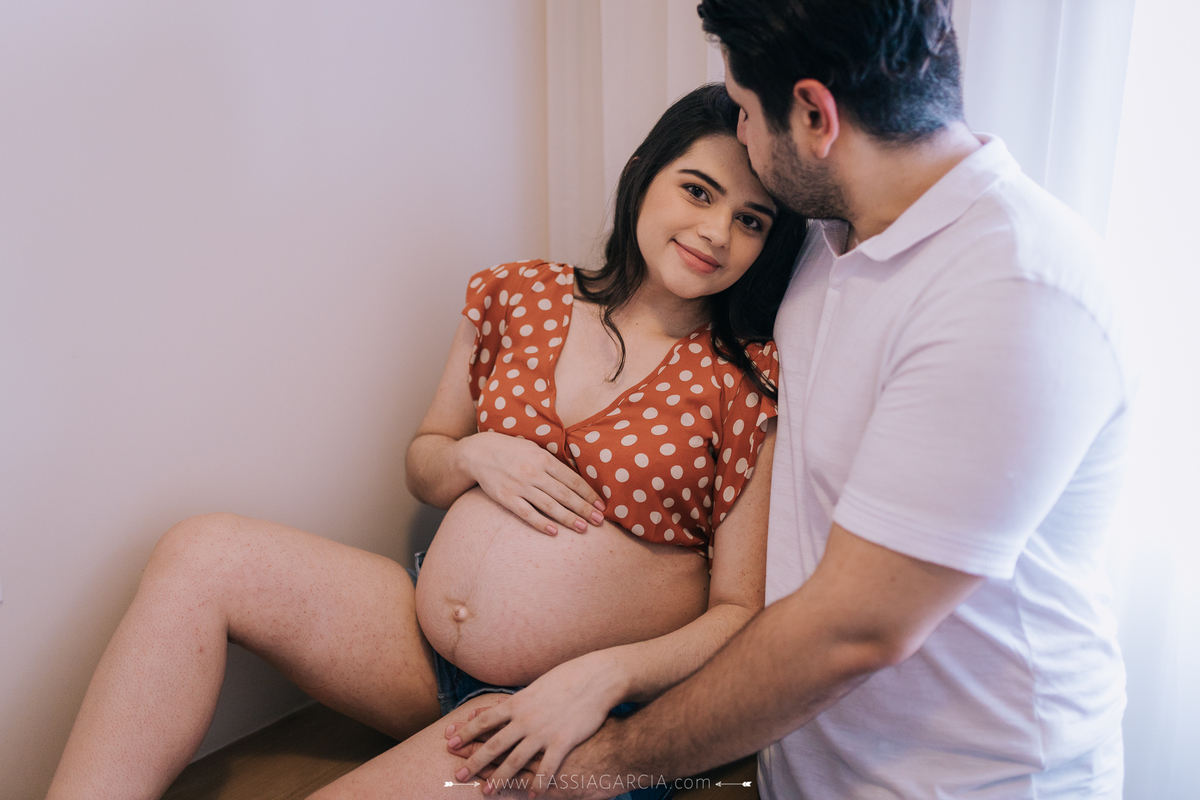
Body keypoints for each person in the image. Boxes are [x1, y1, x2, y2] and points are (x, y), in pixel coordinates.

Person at [45, 84, 807, 800]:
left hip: (569, 716)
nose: (716, 231)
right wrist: (473, 454)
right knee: (201, 550)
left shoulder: (749, 383)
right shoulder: (519, 294)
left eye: (751, 220)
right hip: (420, 651)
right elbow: (426, 458)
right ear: (645, 173)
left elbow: (740, 612)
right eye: (698, 190)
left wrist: (602, 679)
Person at [448, 2, 1131, 798]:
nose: (740, 134)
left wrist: (601, 765)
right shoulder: (826, 239)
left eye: (742, 110)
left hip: (964, 781)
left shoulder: (1012, 293)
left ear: (814, 115)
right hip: (799, 764)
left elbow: (851, 631)